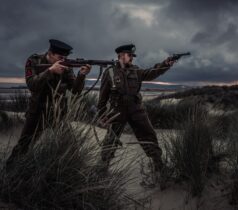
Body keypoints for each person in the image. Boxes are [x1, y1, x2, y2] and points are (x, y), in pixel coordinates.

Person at [6, 39, 91, 167]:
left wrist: (81, 75)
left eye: (65, 57)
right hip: (37, 112)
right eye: (60, 57)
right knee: (24, 145)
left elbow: (75, 91)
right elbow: (32, 85)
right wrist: (50, 71)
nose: (63, 60)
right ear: (50, 53)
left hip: (58, 113)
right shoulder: (34, 61)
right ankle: (10, 170)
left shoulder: (66, 67)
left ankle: (76, 171)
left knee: (71, 145)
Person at [97, 44, 175, 174]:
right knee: (111, 139)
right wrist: (102, 114)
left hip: (136, 108)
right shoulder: (110, 72)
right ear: (120, 55)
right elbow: (102, 96)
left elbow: (152, 73)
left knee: (149, 135)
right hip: (117, 110)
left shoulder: (136, 70)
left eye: (132, 55)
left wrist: (166, 64)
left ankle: (159, 166)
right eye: (129, 55)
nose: (132, 58)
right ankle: (103, 167)